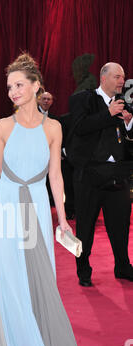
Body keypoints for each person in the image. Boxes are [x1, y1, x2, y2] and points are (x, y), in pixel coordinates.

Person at [0, 53, 81, 346]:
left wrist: (62, 220)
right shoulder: (3, 126)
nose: (12, 91)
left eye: (18, 85)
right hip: (6, 205)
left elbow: (56, 176)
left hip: (36, 208)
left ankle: (38, 345)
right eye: (9, 87)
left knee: (35, 275)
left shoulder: (53, 128)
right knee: (5, 275)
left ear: (35, 86)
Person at [68, 62, 133, 287]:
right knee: (85, 227)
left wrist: (129, 124)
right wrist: (108, 114)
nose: (122, 81)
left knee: (121, 225)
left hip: (118, 174)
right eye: (117, 77)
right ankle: (83, 269)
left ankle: (123, 266)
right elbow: (80, 127)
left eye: (123, 77)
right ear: (103, 78)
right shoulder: (82, 99)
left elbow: (129, 144)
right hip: (89, 175)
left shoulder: (125, 104)